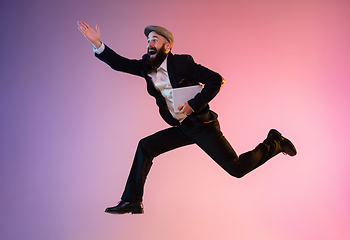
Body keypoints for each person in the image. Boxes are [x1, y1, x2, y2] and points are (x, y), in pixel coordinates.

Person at [77, 20, 297, 215]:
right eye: (148, 41)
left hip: (201, 125)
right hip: (182, 127)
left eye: (155, 40)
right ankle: (132, 201)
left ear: (167, 45)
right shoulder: (146, 66)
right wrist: (98, 44)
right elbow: (120, 63)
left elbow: (215, 79)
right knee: (146, 146)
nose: (150, 44)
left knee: (237, 169)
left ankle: (275, 141)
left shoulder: (182, 63)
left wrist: (193, 105)